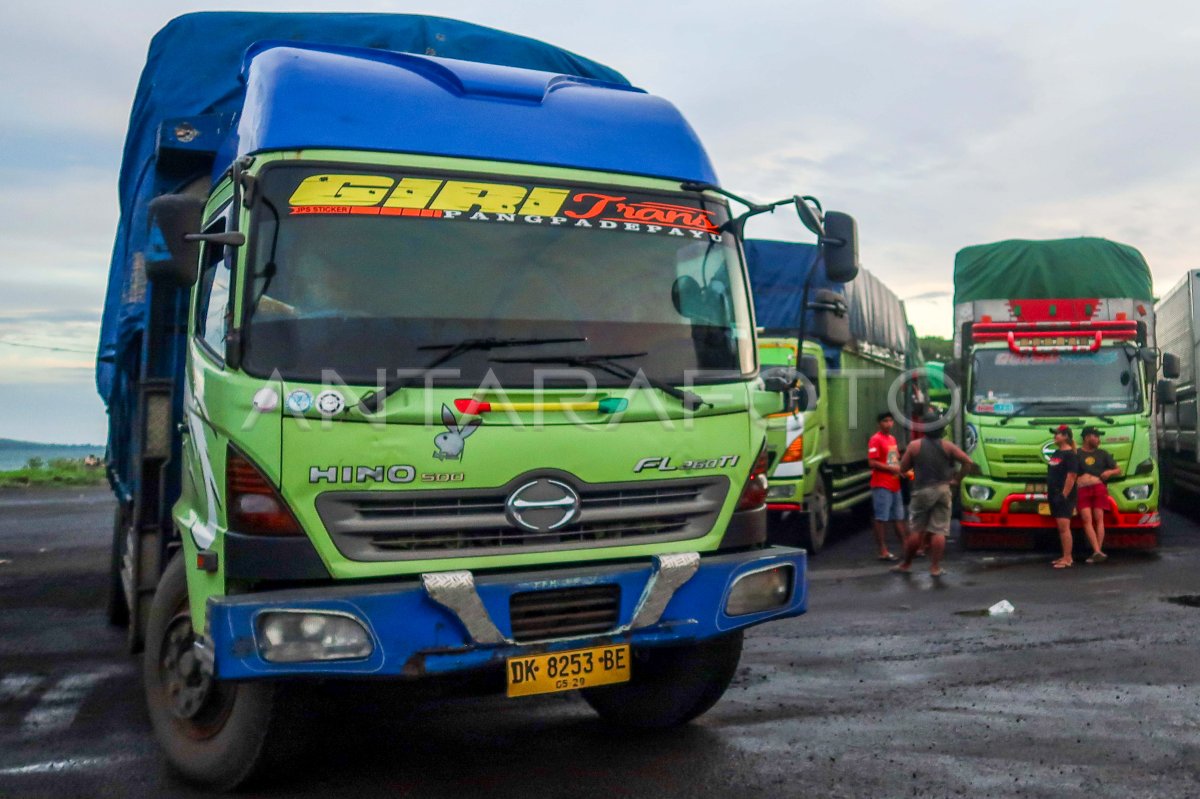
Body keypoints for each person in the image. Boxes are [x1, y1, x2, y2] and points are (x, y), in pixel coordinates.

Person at [893, 413, 974, 577]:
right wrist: (957, 479)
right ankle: (935, 567)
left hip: (921, 491)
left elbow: (902, 468)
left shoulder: (914, 446)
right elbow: (968, 462)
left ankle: (906, 564)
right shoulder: (948, 446)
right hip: (943, 490)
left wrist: (911, 471)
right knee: (939, 530)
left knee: (916, 530)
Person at [1076, 425, 1119, 563]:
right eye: (1096, 436)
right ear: (1087, 437)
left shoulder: (1103, 453)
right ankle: (1097, 551)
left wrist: (1109, 472)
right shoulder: (1077, 453)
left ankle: (1097, 551)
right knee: (1086, 519)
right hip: (1082, 489)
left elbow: (1118, 470)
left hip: (1099, 488)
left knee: (1099, 519)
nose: (1098, 439)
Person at [868, 411, 908, 560]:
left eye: (891, 421)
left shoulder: (892, 439)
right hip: (881, 484)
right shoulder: (875, 440)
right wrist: (892, 468)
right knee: (881, 518)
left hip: (894, 484)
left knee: (899, 517)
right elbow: (872, 462)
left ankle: (905, 547)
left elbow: (894, 460)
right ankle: (883, 550)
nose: (889, 424)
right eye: (885, 421)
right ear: (879, 423)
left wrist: (901, 469)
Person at [1046, 424, 1080, 569]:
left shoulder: (1070, 455)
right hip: (1053, 493)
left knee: (1064, 527)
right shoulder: (1056, 453)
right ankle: (1065, 555)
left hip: (1064, 495)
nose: (1055, 436)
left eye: (1058, 434)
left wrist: (1064, 494)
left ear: (1066, 436)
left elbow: (1072, 476)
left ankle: (1068, 558)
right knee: (1060, 527)